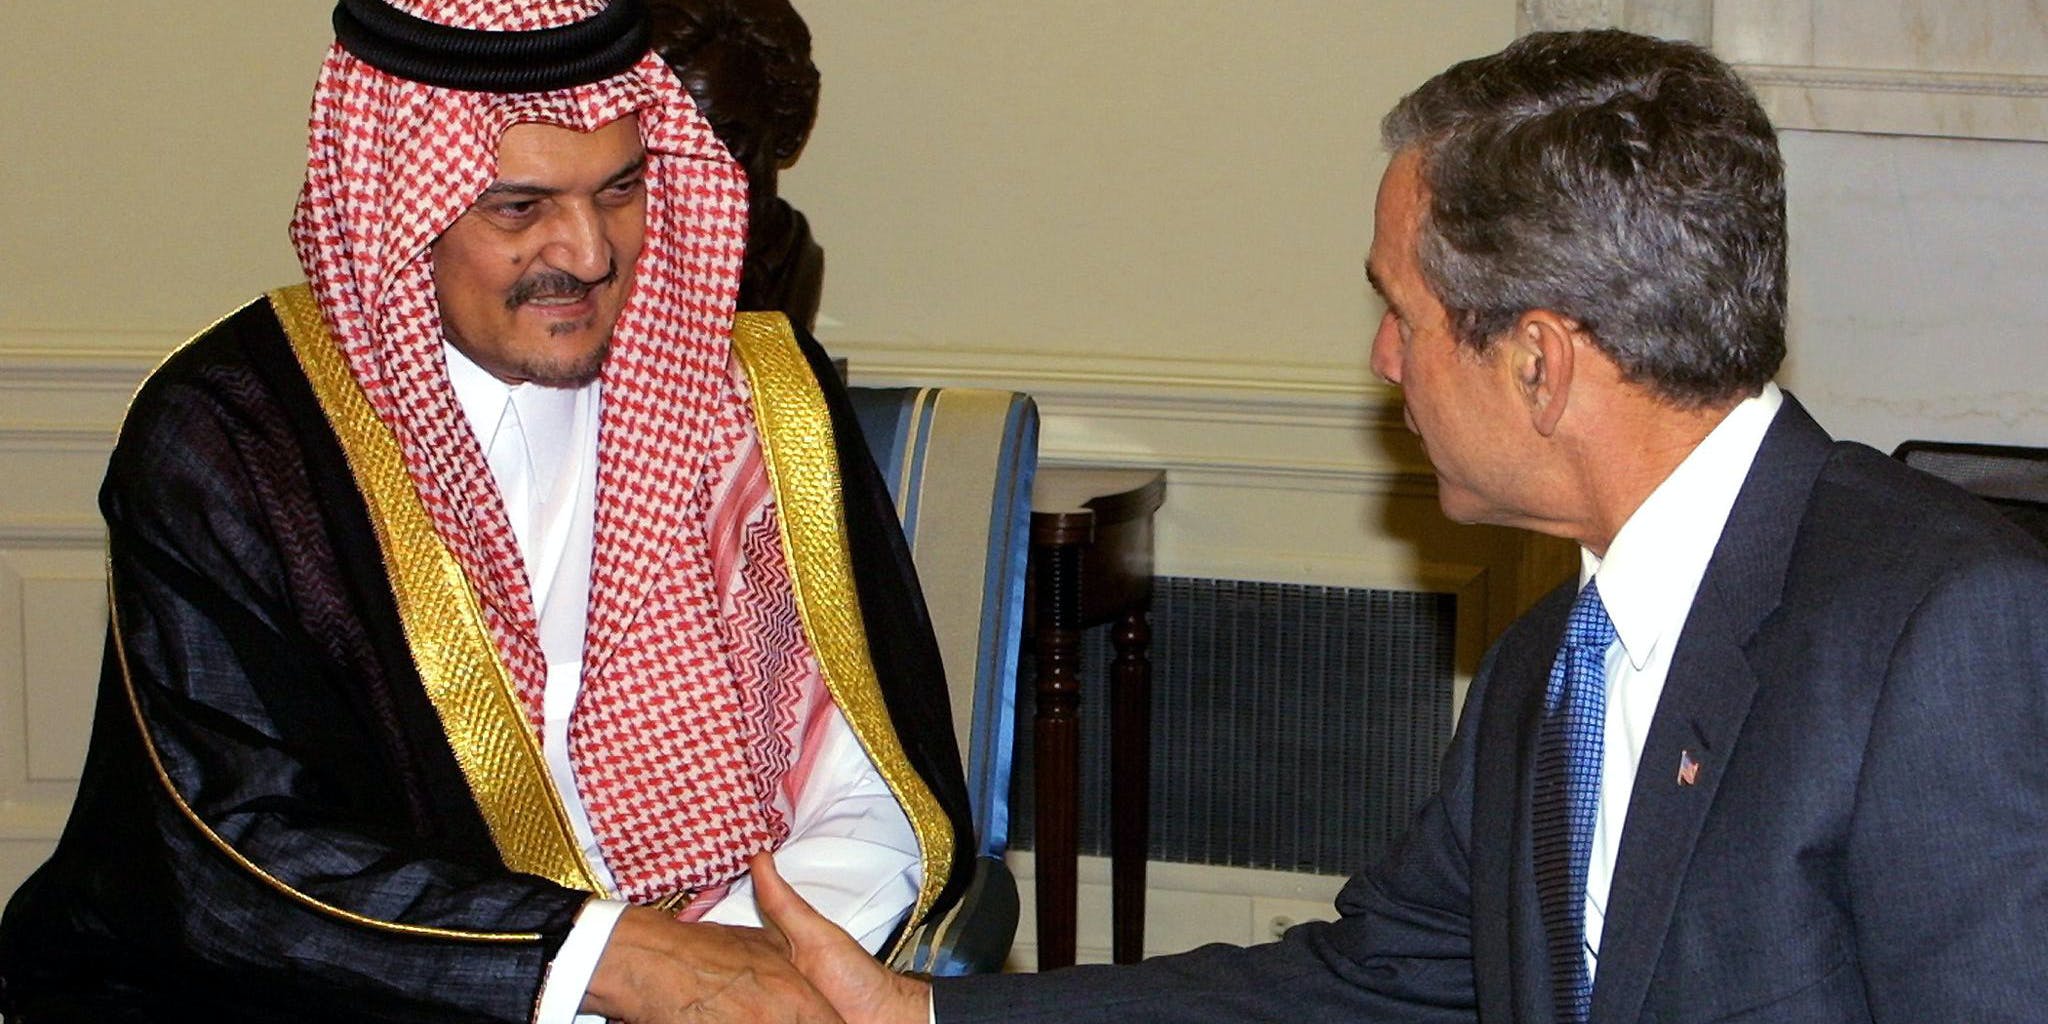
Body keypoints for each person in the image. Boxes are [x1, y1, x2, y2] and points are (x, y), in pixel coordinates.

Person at [753, 28, 2048, 1024]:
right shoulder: (1553, 665)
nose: (1383, 361)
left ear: (1538, 363)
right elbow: (1359, 985)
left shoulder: (1941, 626)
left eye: (1403, 314)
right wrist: (920, 1010)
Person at [0, 1, 974, 1021]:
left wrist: (763, 954)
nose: (590, 253)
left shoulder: (753, 394)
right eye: (519, 207)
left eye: (621, 189)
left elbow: (866, 779)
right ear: (395, 201)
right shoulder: (234, 437)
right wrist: (604, 961)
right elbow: (231, 849)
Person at [649, 0, 828, 333]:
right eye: (667, 141)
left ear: (788, 131)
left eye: (725, 141)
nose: (690, 169)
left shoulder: (790, 269)